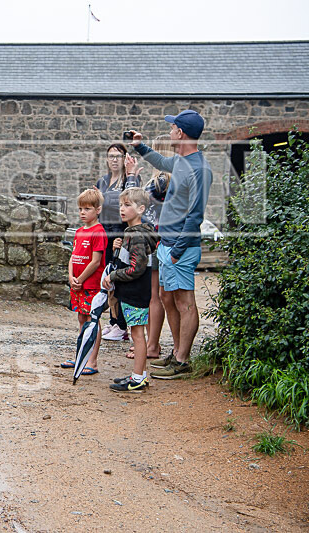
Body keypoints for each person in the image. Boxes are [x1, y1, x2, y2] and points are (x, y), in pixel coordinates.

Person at [129, 109, 214, 379]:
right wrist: (140, 146)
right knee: (167, 297)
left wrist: (177, 250)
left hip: (181, 247)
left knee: (184, 301)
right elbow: (161, 160)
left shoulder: (200, 169)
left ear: (181, 133)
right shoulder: (181, 161)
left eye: (172, 128)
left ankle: (182, 360)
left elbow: (195, 214)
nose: (169, 132)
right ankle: (177, 351)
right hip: (167, 243)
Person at [104, 188, 158, 392]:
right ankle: (140, 374)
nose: (122, 209)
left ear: (141, 209)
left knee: (137, 335)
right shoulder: (133, 233)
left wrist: (113, 276)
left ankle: (137, 379)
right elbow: (127, 260)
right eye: (121, 205)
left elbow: (137, 268)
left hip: (135, 292)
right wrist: (118, 247)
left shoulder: (137, 236)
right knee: (137, 334)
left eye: (128, 205)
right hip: (134, 292)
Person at [134, 134, 173, 363]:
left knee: (154, 296)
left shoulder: (161, 181)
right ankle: (152, 342)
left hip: (154, 240)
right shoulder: (168, 180)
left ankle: (152, 343)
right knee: (157, 295)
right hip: (158, 240)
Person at [60, 189, 107, 375]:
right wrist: (71, 277)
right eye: (80, 208)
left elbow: (96, 261)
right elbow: (73, 256)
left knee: (92, 320)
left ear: (97, 210)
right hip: (78, 284)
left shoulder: (98, 232)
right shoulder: (79, 231)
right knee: (81, 318)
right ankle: (81, 356)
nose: (82, 212)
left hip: (91, 285)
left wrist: (81, 279)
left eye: (87, 208)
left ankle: (92, 361)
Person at [96, 143, 140, 341]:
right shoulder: (103, 181)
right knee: (107, 279)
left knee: (118, 278)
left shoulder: (129, 180)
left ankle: (122, 325)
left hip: (121, 234)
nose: (114, 159)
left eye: (118, 156)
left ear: (125, 159)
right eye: (111, 156)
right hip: (105, 233)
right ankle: (114, 321)